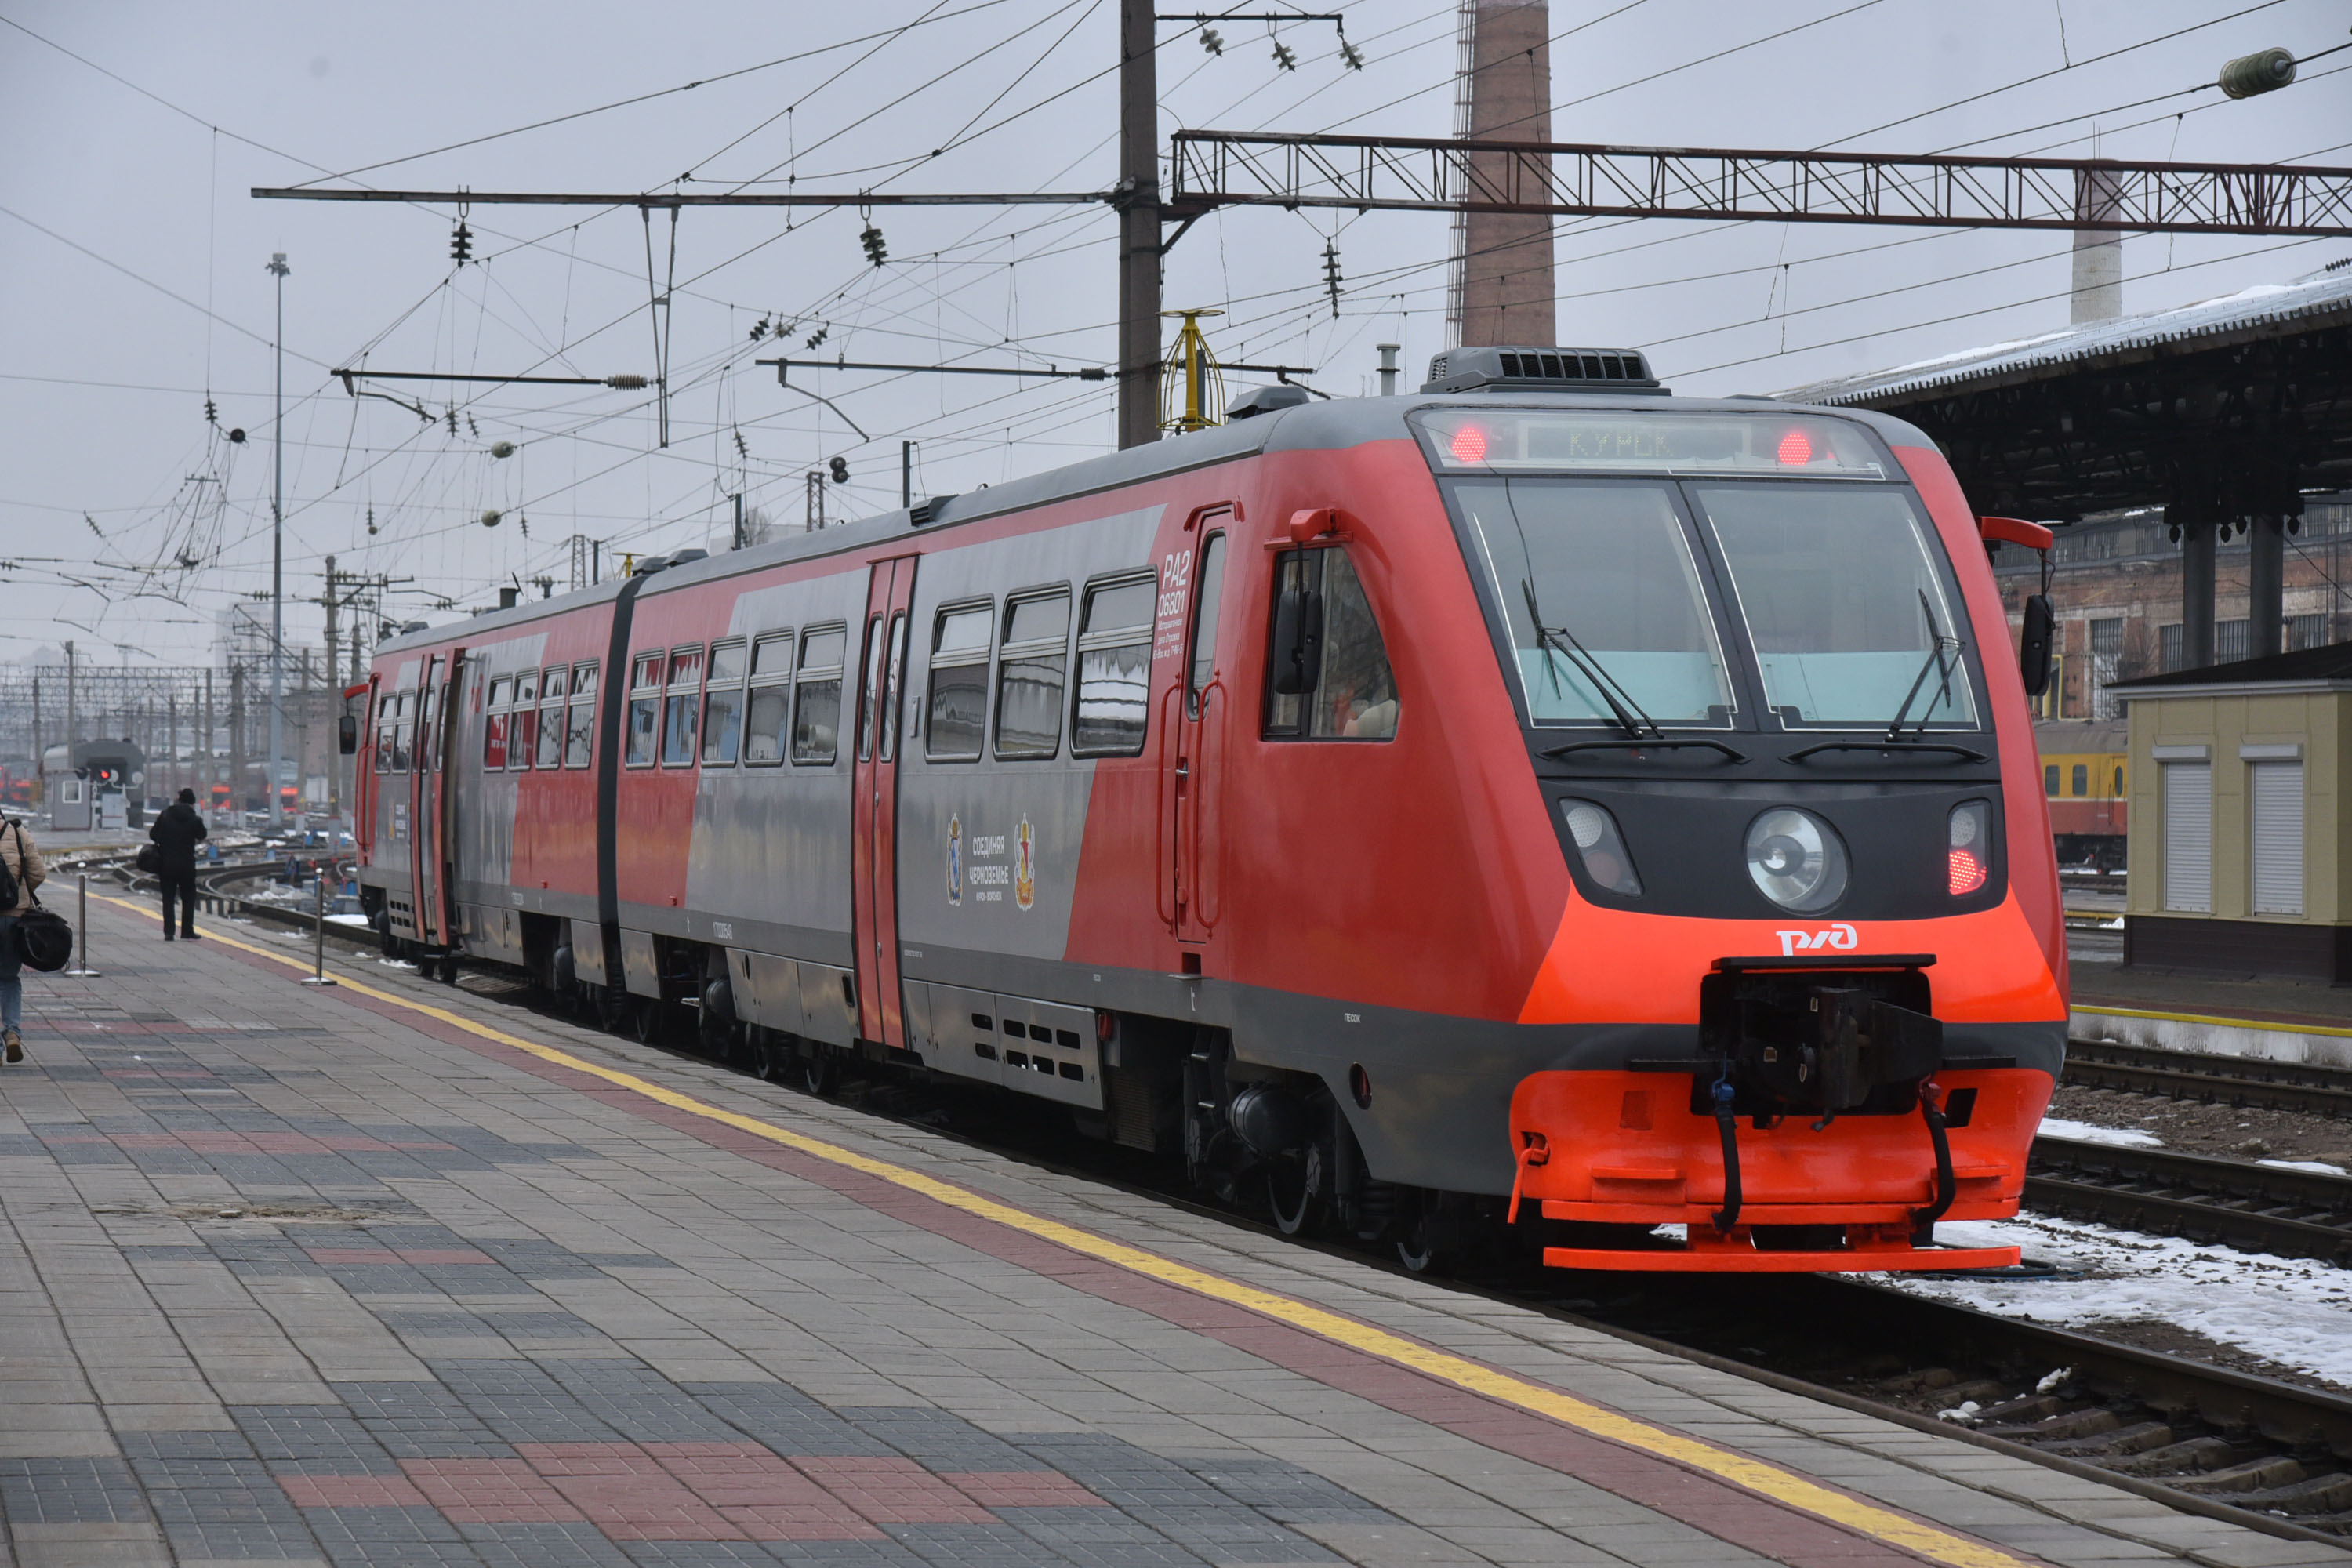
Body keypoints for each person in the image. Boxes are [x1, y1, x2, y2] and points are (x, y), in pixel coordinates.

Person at [0, 815, 45, 1063]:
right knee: (8, 978)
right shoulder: (18, 833)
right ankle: (12, 1033)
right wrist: (17, 893)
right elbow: (38, 873)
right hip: (13, 919)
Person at [149, 787, 208, 942]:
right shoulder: (194, 819)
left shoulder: (165, 815)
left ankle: (169, 932)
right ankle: (187, 931)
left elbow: (152, 835)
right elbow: (202, 835)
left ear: (179, 800)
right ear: (192, 803)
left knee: (168, 898)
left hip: (166, 864)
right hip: (186, 865)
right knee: (188, 897)